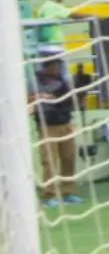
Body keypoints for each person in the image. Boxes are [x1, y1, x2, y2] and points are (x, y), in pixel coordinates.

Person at [31, 50, 80, 208]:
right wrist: (39, 98)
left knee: (69, 158)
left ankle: (68, 193)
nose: (58, 68)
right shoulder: (35, 81)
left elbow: (70, 102)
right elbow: (27, 100)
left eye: (59, 65)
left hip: (65, 123)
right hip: (47, 126)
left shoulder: (63, 81)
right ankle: (49, 195)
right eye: (55, 65)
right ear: (47, 66)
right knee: (49, 161)